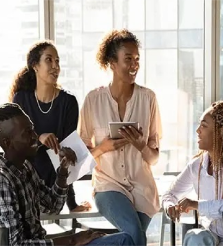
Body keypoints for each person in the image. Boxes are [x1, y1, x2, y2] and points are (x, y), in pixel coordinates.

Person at [0, 103, 134, 246]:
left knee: (125, 239)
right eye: (27, 132)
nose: (35, 136)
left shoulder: (25, 167)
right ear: (7, 142)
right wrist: (72, 240)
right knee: (124, 242)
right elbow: (16, 245)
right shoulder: (0, 180)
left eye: (33, 129)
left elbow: (52, 206)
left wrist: (62, 173)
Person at [78, 29, 162, 246]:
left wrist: (141, 145)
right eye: (128, 59)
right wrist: (103, 147)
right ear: (112, 63)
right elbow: (82, 158)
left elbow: (153, 158)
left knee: (131, 241)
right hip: (108, 185)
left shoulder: (148, 98)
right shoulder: (93, 100)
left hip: (143, 189)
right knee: (135, 234)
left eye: (137, 59)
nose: (134, 65)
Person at [10, 40, 91, 212]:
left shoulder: (68, 102)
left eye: (57, 61)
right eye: (49, 60)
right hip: (26, 183)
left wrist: (72, 204)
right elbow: (16, 146)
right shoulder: (21, 99)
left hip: (56, 186)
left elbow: (68, 153)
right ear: (35, 66)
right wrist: (39, 138)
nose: (55, 66)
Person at [162, 101, 223, 246]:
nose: (198, 130)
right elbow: (169, 194)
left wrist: (197, 205)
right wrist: (170, 206)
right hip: (210, 238)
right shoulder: (197, 165)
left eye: (204, 126)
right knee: (195, 237)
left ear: (220, 131)